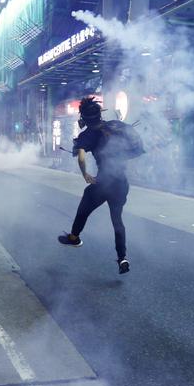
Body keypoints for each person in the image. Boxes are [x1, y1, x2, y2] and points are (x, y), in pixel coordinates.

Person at [58, 96, 138, 274]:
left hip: (103, 183)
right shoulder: (117, 126)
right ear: (100, 114)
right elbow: (135, 144)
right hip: (121, 183)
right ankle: (122, 258)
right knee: (117, 221)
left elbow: (81, 157)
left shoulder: (86, 135)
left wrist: (85, 174)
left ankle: (74, 237)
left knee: (85, 205)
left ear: (83, 118)